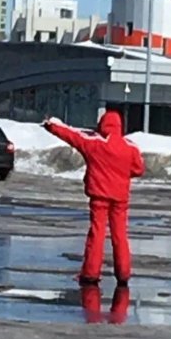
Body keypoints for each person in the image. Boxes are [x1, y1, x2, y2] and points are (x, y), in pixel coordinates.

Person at [43, 110, 145, 286]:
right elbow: (138, 169)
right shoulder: (131, 147)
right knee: (120, 235)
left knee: (97, 233)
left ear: (102, 125)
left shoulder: (93, 143)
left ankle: (90, 273)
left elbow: (72, 135)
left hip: (99, 196)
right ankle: (123, 273)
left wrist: (52, 126)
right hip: (120, 197)